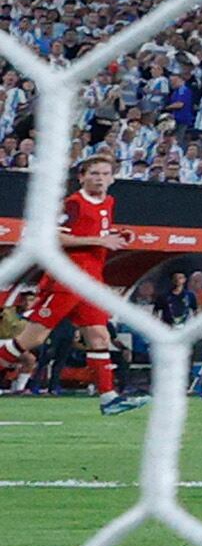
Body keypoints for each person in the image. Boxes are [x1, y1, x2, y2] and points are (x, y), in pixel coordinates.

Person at [32, 150, 139, 413]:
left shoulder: (108, 202)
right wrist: (100, 240)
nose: (100, 179)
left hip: (91, 279)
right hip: (68, 278)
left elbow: (95, 232)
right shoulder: (74, 203)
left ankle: (109, 398)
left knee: (100, 336)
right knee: (32, 339)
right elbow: (56, 237)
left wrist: (115, 234)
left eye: (105, 174)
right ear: (81, 177)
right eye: (94, 174)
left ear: (113, 178)